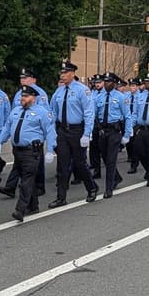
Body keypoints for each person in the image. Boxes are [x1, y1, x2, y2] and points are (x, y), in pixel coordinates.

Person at [0, 84, 56, 222]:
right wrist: (0, 141)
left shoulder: (42, 112)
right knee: (27, 178)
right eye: (22, 96)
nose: (22, 98)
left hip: (31, 151)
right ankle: (33, 205)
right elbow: (7, 127)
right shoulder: (16, 111)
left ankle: (20, 209)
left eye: (26, 96)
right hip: (17, 151)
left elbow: (50, 132)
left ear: (33, 98)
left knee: (26, 180)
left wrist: (50, 150)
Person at [49, 60, 98, 207]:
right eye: (61, 73)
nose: (62, 75)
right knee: (62, 165)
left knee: (79, 163)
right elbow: (52, 112)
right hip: (63, 131)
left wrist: (87, 133)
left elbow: (89, 113)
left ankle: (92, 187)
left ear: (72, 74)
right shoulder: (59, 91)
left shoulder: (82, 90)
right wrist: (52, 132)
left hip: (77, 131)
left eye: (65, 73)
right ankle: (61, 197)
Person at [98, 73, 134, 198]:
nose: (106, 84)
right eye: (105, 81)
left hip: (115, 131)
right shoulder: (99, 97)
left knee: (111, 159)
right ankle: (117, 177)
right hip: (103, 131)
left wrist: (127, 134)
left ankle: (108, 188)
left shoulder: (120, 97)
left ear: (114, 83)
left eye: (109, 82)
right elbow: (95, 114)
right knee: (104, 156)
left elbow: (127, 116)